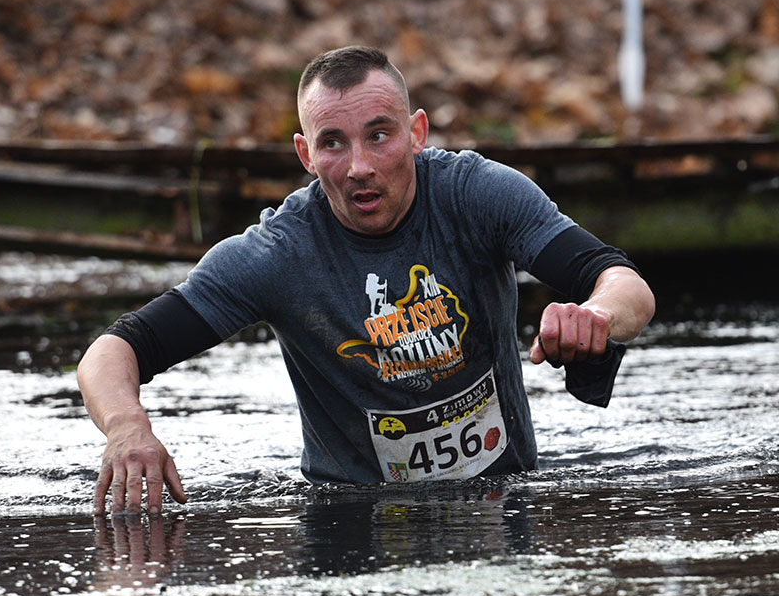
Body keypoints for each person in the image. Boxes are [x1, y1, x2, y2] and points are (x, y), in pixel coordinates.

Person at [77, 46, 656, 514]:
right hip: (348, 513)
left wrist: (595, 316)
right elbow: (113, 350)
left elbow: (623, 282)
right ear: (306, 154)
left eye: (379, 135)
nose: (359, 166)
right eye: (333, 143)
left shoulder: (477, 196)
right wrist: (128, 430)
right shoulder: (278, 253)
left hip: (504, 500)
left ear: (416, 133)